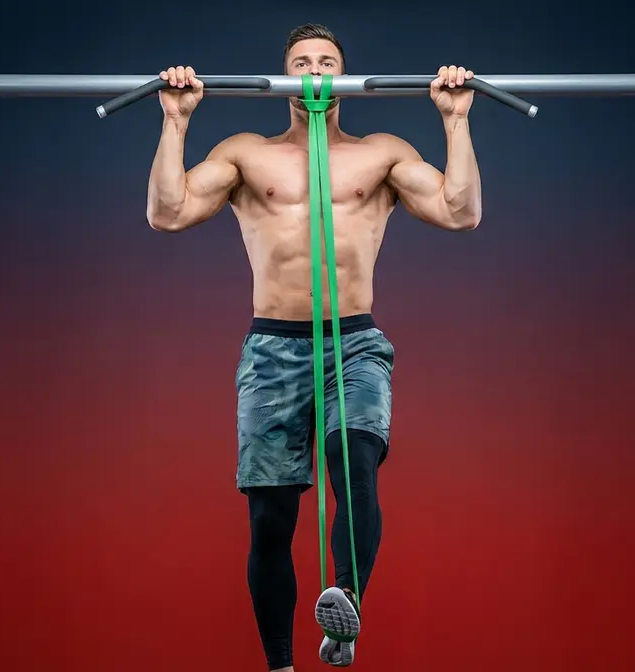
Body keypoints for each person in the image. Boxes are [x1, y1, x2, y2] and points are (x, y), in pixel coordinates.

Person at [145, 23, 483, 671]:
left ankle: (344, 606)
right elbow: (169, 213)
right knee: (271, 520)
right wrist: (175, 120)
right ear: (286, 81)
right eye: (302, 63)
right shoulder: (247, 154)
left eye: (327, 62)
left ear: (345, 78)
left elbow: (460, 212)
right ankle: (281, 664)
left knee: (353, 457)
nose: (315, 71)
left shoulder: (380, 154)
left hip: (354, 342)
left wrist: (456, 119)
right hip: (272, 348)